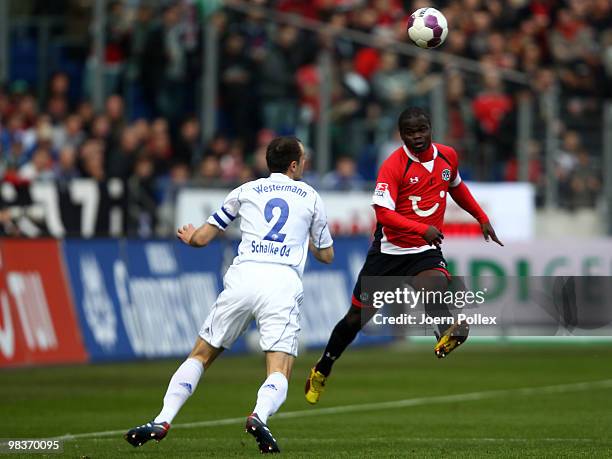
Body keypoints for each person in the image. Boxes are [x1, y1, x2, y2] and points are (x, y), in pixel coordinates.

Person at [125, 136, 334, 453]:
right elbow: (327, 255)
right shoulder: (311, 196)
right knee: (279, 369)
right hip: (281, 283)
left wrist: (189, 236)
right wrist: (300, 240)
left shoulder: (246, 190)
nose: (305, 164)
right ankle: (259, 416)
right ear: (294, 165)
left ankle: (162, 418)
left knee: (200, 354)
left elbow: (201, 238)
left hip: (244, 277)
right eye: (303, 159)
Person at [304, 107, 503, 405]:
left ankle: (445, 333)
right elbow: (383, 212)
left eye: (421, 130)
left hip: (423, 251)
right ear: (401, 135)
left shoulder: (448, 156)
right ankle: (323, 368)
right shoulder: (394, 166)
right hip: (389, 253)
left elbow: (456, 188)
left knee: (435, 285)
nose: (417, 137)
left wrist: (481, 216)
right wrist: (421, 228)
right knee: (356, 318)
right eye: (410, 133)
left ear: (430, 128)